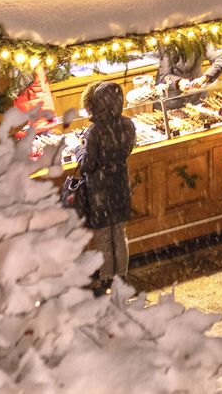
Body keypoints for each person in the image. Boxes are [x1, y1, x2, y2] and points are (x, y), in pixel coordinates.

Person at [78, 81, 137, 294]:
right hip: (121, 185)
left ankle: (106, 279)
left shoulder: (94, 132)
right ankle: (122, 275)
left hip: (100, 190)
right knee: (119, 233)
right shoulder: (128, 124)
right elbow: (127, 150)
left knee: (103, 235)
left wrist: (79, 150)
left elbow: (88, 164)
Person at [155, 38, 222, 109]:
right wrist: (179, 82)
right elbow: (164, 76)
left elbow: (219, 61)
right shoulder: (166, 39)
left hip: (198, 97)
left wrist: (205, 78)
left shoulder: (199, 35)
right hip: (171, 102)